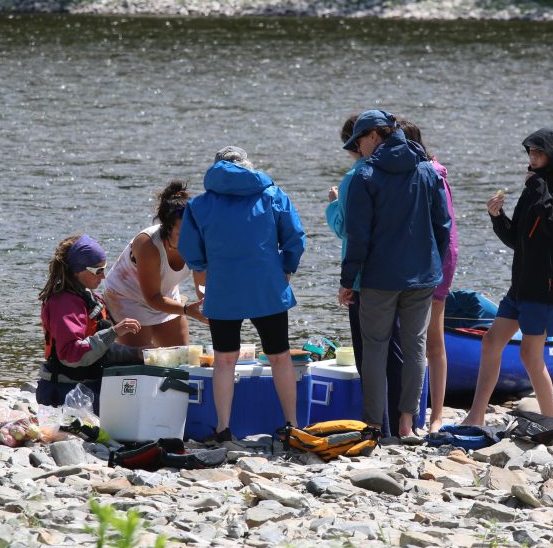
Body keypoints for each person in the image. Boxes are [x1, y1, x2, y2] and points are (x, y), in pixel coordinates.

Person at [178, 146, 307, 442]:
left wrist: (204, 265)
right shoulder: (272, 194)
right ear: (247, 166)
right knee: (280, 357)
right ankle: (293, 425)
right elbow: (295, 237)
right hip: (268, 287)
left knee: (224, 360)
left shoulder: (200, 205)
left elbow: (189, 249)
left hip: (223, 288)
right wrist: (286, 268)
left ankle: (223, 428)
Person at [338, 110, 452, 437]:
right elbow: (442, 226)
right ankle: (406, 424)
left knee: (375, 347)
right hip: (422, 276)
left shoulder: (365, 177)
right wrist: (434, 263)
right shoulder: (427, 171)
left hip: (378, 278)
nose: (359, 149)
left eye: (359, 141)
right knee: (415, 348)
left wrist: (348, 281)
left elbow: (358, 236)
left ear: (374, 135)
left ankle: (374, 424)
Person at [462, 129, 553, 422]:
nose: (532, 157)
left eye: (539, 152)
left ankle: (551, 421)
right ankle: (476, 415)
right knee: (491, 342)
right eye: (530, 152)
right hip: (520, 286)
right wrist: (497, 217)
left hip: (547, 288)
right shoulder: (534, 188)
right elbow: (518, 239)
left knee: (530, 355)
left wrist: (540, 191)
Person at [326, 115, 404, 437]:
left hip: (365, 278)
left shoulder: (354, 178)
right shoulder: (403, 171)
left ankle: (378, 426)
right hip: (402, 275)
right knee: (399, 351)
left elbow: (349, 231)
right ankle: (405, 425)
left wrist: (332, 206)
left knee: (368, 354)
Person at [37, 234, 143, 412]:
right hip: (65, 393)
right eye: (98, 271)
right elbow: (72, 355)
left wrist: (138, 354)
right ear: (77, 270)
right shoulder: (64, 304)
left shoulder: (87, 297)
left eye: (104, 269)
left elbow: (99, 351)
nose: (103, 277)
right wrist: (113, 332)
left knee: (145, 365)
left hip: (87, 384)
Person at [398, 118, 458, 433]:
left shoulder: (432, 175)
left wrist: (437, 274)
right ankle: (416, 413)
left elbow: (445, 231)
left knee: (432, 342)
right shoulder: (413, 173)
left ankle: (436, 416)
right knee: (417, 341)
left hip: (434, 267)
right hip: (418, 267)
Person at [102, 181, 208, 348]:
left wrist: (209, 308)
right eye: (182, 234)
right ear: (167, 229)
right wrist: (187, 310)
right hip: (127, 299)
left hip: (166, 296)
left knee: (180, 358)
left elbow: (203, 288)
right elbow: (152, 297)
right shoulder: (148, 245)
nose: (190, 238)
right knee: (141, 360)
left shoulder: (198, 241)